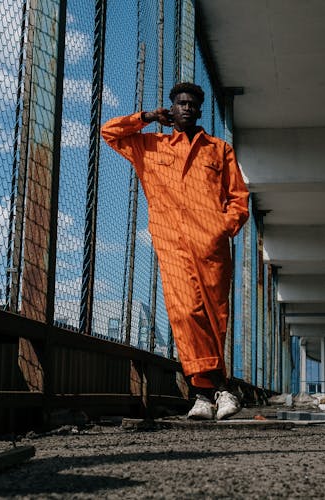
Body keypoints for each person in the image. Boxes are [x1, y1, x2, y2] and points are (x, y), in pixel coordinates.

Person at [101, 82, 249, 420]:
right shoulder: (150, 146)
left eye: (192, 104)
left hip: (210, 245)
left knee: (215, 317)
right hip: (172, 243)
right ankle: (205, 391)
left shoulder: (218, 149)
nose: (186, 108)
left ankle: (218, 389)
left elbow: (239, 199)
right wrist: (146, 117)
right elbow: (109, 132)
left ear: (199, 110)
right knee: (184, 314)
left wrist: (220, 228)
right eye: (180, 103)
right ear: (171, 107)